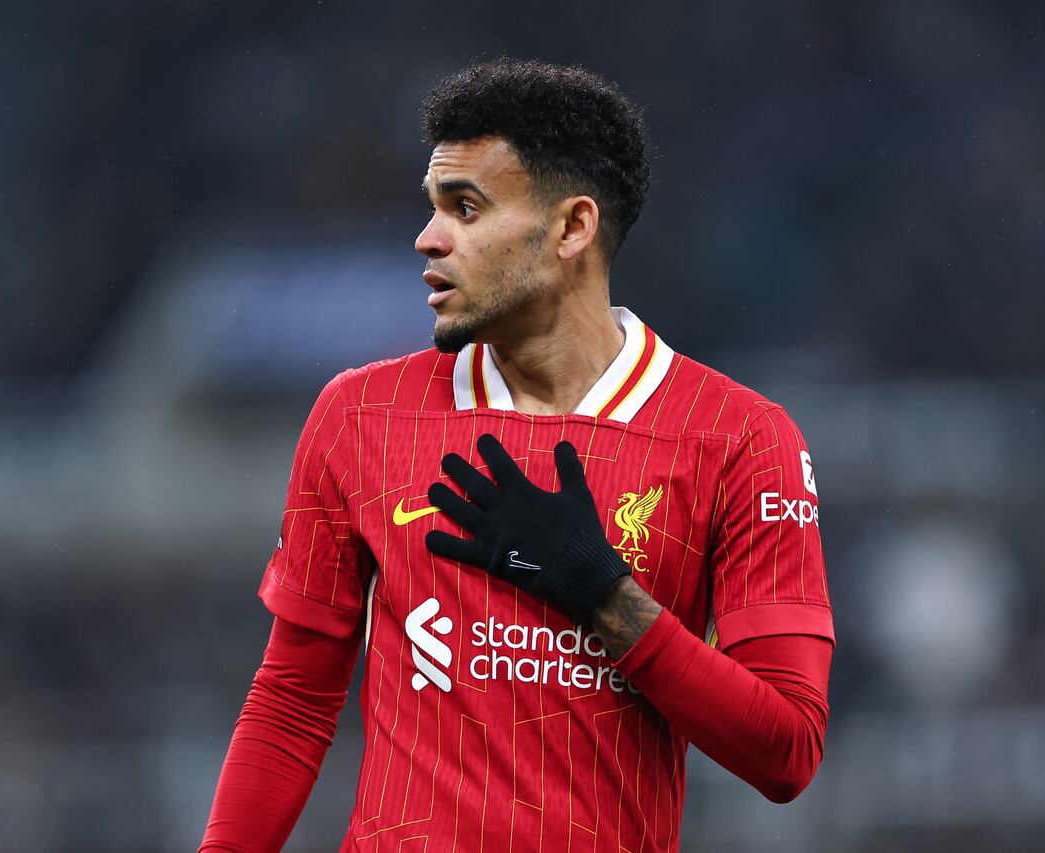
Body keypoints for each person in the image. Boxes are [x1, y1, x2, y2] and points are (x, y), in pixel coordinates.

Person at [199, 58, 833, 853]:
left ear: (572, 228)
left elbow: (786, 751)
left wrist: (603, 593)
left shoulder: (738, 439)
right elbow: (292, 701)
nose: (428, 237)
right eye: (433, 206)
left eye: (466, 208)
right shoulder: (360, 415)